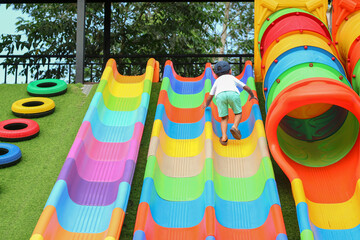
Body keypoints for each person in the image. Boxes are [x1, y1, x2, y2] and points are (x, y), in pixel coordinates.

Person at [202, 61, 258, 146]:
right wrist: (252, 95)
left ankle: (224, 137)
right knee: (238, 113)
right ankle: (234, 127)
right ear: (230, 71)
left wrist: (207, 103)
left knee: (224, 118)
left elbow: (210, 95)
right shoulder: (232, 78)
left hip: (220, 96)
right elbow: (245, 87)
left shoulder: (217, 81)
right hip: (233, 94)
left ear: (216, 75)